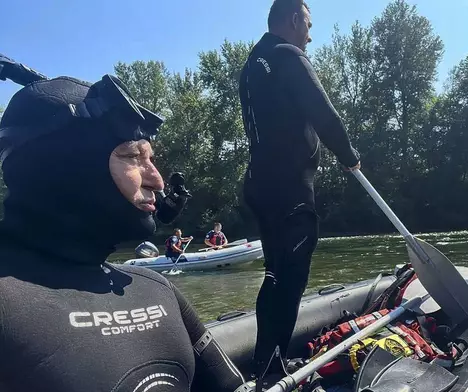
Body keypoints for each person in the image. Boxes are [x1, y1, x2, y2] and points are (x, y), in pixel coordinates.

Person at [0, 70, 244, 391]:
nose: (157, 180)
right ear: (64, 168)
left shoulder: (156, 288)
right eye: (132, 156)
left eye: (151, 158)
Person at [238, 0, 361, 385]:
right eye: (308, 22)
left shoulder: (253, 64)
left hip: (260, 184)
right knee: (290, 277)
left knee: (274, 274)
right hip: (289, 187)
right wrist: (350, 157)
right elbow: (323, 113)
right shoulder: (287, 55)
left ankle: (265, 361)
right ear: (293, 20)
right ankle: (274, 366)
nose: (310, 32)